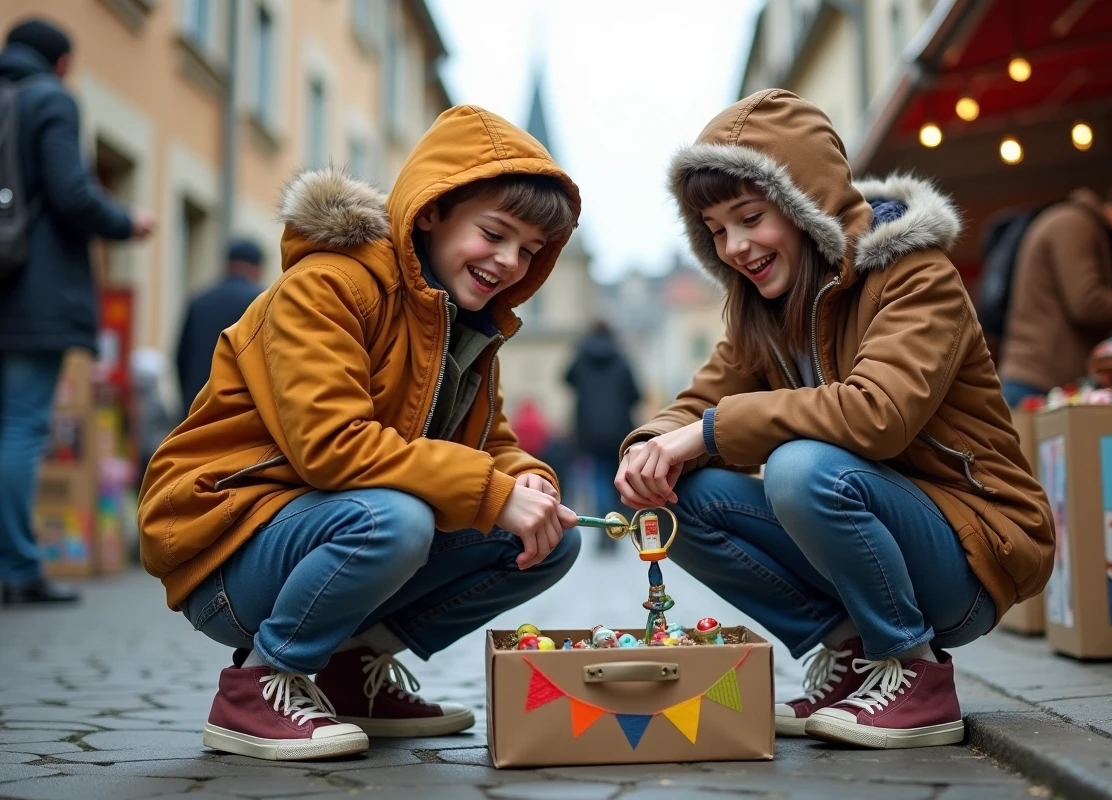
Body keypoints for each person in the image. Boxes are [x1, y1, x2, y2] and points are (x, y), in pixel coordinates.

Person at [138, 106, 581, 761]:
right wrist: (491, 490)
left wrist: (529, 483)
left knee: (550, 540)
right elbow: (331, 444)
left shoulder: (467, 327)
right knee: (395, 520)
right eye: (495, 233)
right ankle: (255, 687)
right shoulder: (329, 285)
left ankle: (351, 672)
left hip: (324, 530)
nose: (510, 261)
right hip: (226, 553)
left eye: (530, 250)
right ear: (432, 210)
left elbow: (492, 448)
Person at [615, 90, 1053, 749]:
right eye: (715, 230)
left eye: (750, 217)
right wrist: (649, 447)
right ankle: (852, 654)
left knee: (800, 466)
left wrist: (704, 433)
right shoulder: (763, 311)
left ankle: (916, 671)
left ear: (802, 203)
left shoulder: (914, 275)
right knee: (672, 500)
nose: (735, 246)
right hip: (874, 534)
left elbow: (879, 416)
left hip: (973, 548)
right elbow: (701, 400)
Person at [0, 18, 155, 606]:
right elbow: (71, 193)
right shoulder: (50, 100)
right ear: (61, 62)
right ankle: (18, 568)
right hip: (30, 294)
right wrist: (127, 222)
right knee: (20, 427)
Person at [998, 175, 1112, 406]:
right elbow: (1086, 303)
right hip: (1037, 384)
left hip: (1045, 383)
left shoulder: (1090, 229)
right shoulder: (1075, 224)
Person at [564, 321, 641, 537]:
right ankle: (616, 522)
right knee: (615, 476)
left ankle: (606, 526)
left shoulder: (581, 358)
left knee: (597, 475)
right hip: (619, 430)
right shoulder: (621, 359)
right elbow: (636, 395)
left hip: (589, 430)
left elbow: (565, 379)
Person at [175, 238, 265, 412]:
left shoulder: (199, 301)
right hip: (239, 413)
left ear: (228, 265)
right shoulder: (261, 303)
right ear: (256, 269)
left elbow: (181, 357)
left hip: (196, 409)